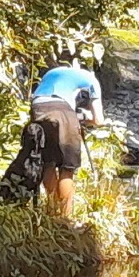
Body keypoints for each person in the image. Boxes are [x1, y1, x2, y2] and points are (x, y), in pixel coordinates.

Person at [28, 64, 105, 216]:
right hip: (62, 109)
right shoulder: (91, 80)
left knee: (47, 162)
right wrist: (83, 117)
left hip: (37, 107)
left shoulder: (52, 72)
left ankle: (50, 211)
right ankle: (65, 218)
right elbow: (99, 120)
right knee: (67, 166)